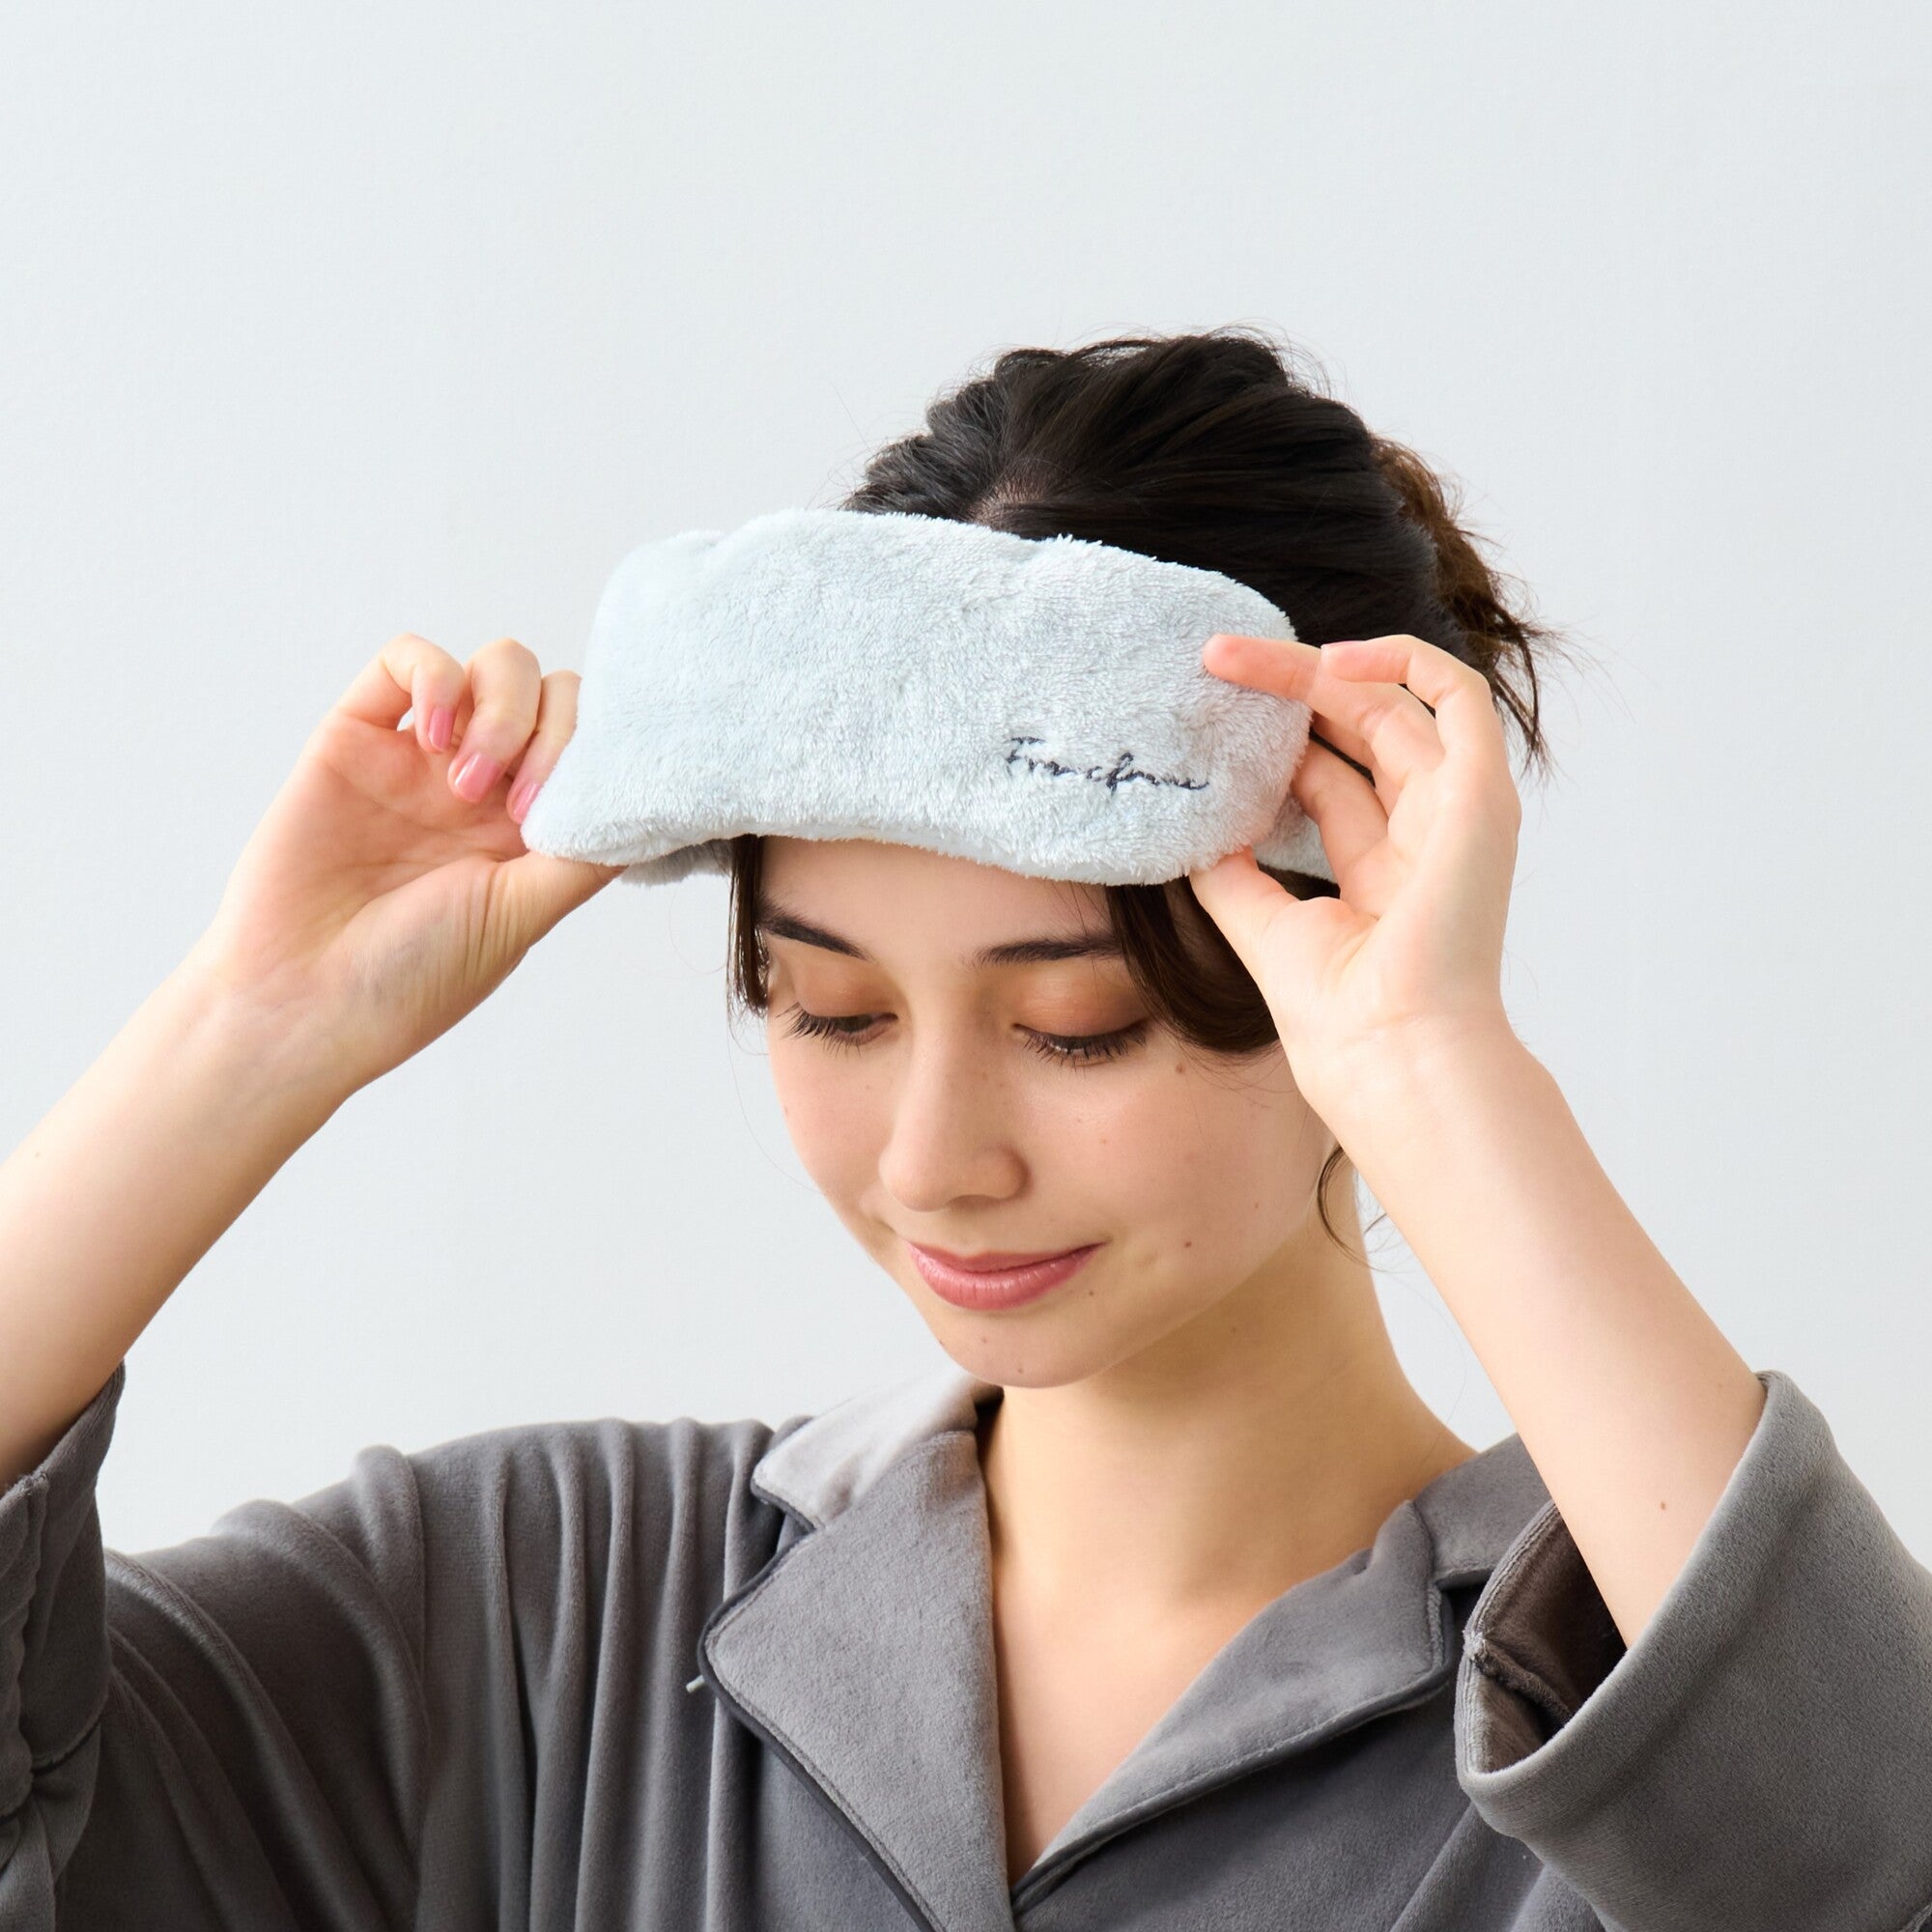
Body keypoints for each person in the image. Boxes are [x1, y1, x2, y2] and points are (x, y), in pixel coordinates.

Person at [3, 327, 1928, 1930]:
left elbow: (1866, 1864)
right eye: (831, 1009)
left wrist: (1441, 1064)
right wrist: (245, 1033)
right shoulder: (539, 1609)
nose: (933, 1159)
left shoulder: (1598, 1717)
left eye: (1078, 1029)